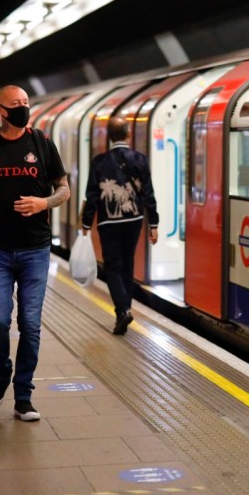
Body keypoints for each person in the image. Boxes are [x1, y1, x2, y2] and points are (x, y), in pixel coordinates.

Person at [0, 85, 70, 422]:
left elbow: (64, 189)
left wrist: (43, 203)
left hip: (36, 249)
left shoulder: (42, 143)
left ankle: (23, 395)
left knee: (30, 325)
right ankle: (1, 372)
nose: (23, 108)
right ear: (0, 110)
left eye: (26, 102)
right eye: (15, 104)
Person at [80, 116, 159, 335]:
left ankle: (122, 310)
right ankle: (126, 308)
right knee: (127, 264)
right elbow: (148, 194)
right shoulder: (140, 159)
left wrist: (86, 222)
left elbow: (92, 195)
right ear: (128, 134)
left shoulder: (99, 162)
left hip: (109, 222)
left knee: (112, 266)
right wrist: (153, 223)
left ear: (109, 137)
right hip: (134, 221)